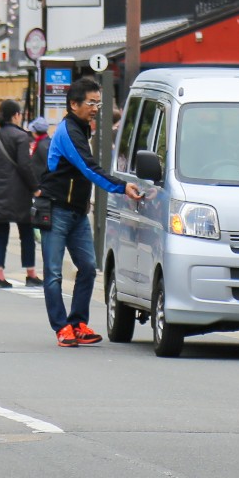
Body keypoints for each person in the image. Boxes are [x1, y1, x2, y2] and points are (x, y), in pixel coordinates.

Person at [39, 77, 145, 346]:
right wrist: (122, 187)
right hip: (57, 209)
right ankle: (62, 327)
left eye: (98, 102)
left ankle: (78, 323)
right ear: (74, 104)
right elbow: (88, 168)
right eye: (91, 102)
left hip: (76, 212)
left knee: (87, 267)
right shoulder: (68, 132)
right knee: (53, 272)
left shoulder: (83, 128)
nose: (96, 107)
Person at [0, 100, 43, 289]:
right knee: (26, 232)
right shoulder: (21, 137)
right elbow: (25, 166)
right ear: (16, 115)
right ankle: (30, 273)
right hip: (18, 193)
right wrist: (35, 188)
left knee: (1, 234)